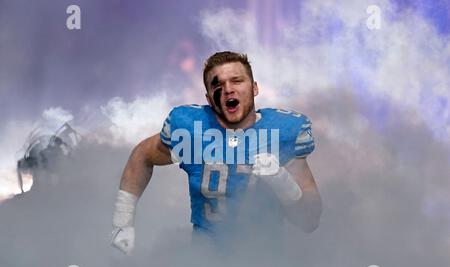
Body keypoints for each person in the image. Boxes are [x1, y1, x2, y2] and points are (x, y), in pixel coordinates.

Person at [111, 51, 322, 256]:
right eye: (217, 85)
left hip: (265, 265)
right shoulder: (191, 130)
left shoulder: (282, 132)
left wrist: (282, 181)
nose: (228, 89)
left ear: (254, 88)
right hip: (206, 260)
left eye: (237, 81)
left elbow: (309, 221)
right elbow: (142, 155)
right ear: (209, 98)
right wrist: (122, 223)